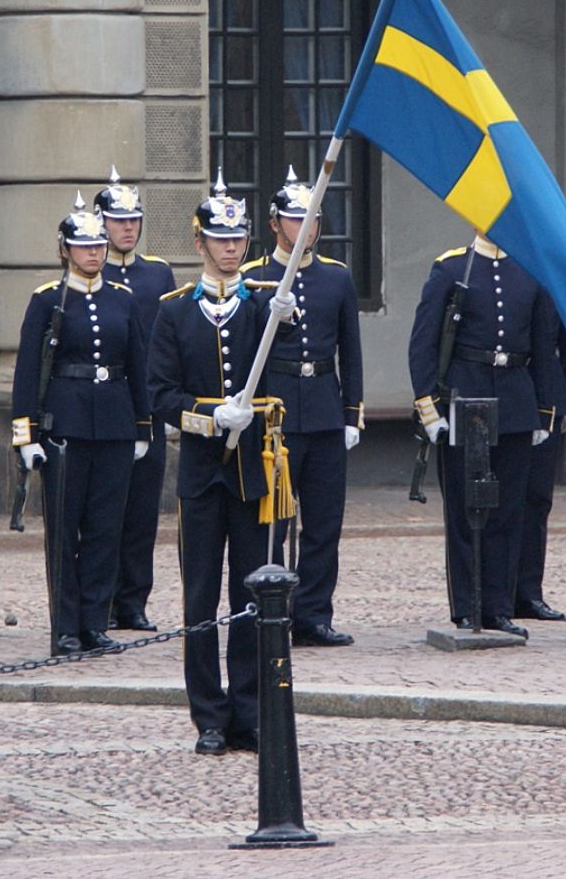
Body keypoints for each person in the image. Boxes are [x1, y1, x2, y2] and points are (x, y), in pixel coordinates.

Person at [147, 175, 278, 755]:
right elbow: (160, 395)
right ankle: (209, 715)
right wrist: (208, 416)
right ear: (199, 243)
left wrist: (288, 323)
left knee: (252, 593)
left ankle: (249, 711)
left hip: (252, 474)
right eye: (220, 239)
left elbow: (280, 384)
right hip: (202, 473)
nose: (231, 248)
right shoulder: (174, 313)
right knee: (201, 595)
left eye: (238, 239)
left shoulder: (264, 309)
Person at [10, 195, 152, 656]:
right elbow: (28, 372)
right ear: (65, 250)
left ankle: (94, 622)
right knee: (64, 530)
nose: (93, 253)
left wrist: (142, 425)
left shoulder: (122, 300)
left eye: (98, 246)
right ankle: (65, 627)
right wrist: (25, 434)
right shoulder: (47, 301)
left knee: (104, 530)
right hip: (65, 426)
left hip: (113, 424)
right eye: (84, 247)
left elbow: (136, 364)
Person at [408, 232, 558, 639]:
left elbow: (544, 346)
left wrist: (545, 411)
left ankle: (497, 605)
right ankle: (466, 607)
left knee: (508, 511)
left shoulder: (530, 271)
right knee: (464, 509)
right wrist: (429, 406)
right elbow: (424, 341)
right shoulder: (452, 267)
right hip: (465, 396)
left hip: (515, 399)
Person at [243, 167, 364, 647]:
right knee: (274, 519)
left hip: (324, 408)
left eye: (312, 219)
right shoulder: (255, 278)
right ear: (275, 224)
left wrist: (351, 413)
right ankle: (267, 609)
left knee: (323, 522)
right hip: (276, 412)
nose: (305, 228)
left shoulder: (336, 278)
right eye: (296, 219)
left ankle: (313, 613)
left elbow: (349, 352)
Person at [94, 167, 176, 631]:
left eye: (134, 220)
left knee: (143, 513)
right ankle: (100, 599)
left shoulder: (157, 273)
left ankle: (133, 600)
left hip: (148, 407)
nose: (128, 228)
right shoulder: (91, 271)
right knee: (105, 512)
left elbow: (169, 344)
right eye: (119, 220)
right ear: (101, 223)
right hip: (106, 407)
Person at [514, 321, 566, 623]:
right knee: (499, 501)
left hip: (548, 392)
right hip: (503, 385)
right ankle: (495, 593)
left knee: (538, 499)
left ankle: (529, 592)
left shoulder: (551, 274)